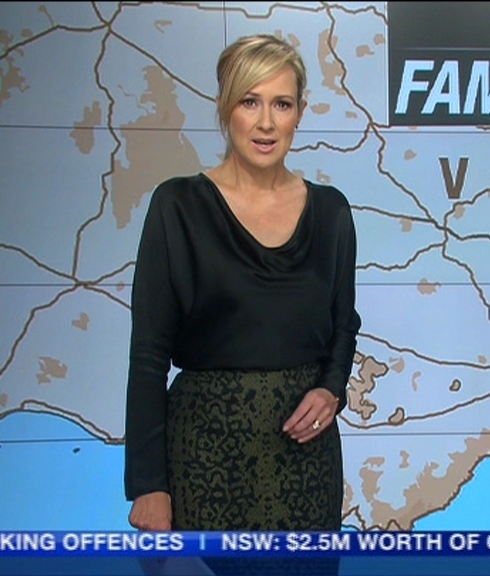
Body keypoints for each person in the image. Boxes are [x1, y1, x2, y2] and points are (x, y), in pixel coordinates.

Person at [123, 33, 360, 535]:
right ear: (225, 108)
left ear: (300, 113)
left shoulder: (332, 211)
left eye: (282, 104)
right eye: (250, 102)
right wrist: (149, 485)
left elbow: (344, 324)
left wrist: (331, 389)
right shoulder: (178, 207)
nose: (266, 122)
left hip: (305, 463)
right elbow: (148, 355)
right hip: (204, 456)